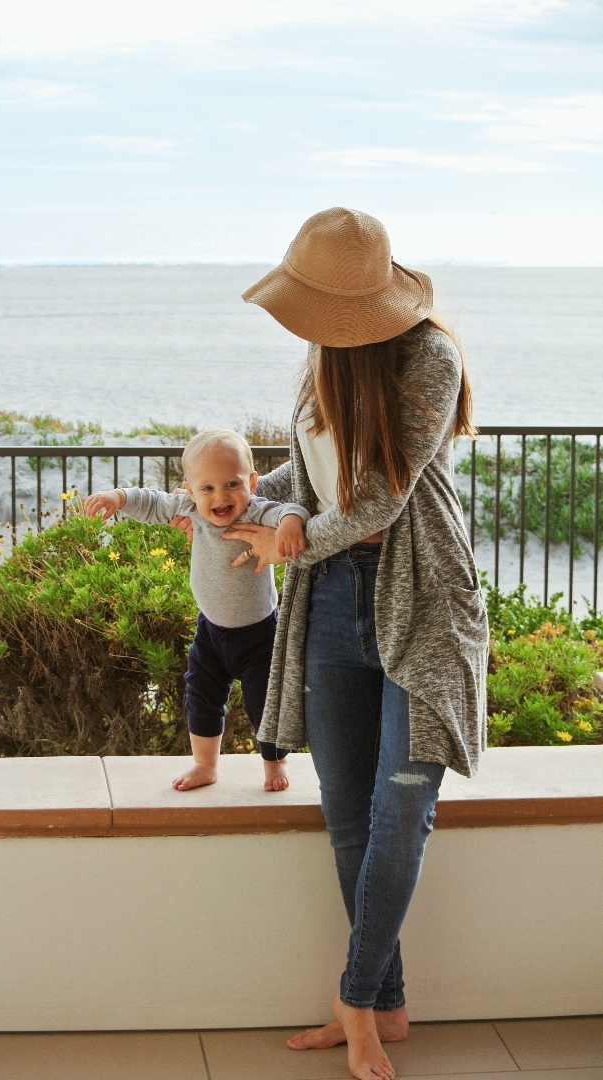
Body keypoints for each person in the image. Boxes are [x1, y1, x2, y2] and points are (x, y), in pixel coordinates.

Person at [218, 208, 488, 1080]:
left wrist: (284, 538)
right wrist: (287, 508)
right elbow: (318, 468)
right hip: (333, 601)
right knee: (345, 819)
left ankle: (355, 1000)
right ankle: (388, 1004)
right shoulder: (323, 356)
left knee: (400, 815)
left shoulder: (430, 358)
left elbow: (381, 498)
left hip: (422, 606)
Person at [84, 428, 310, 793]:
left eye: (232, 484)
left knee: (265, 703)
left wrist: (289, 522)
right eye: (207, 489)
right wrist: (119, 497)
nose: (220, 496)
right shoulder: (189, 509)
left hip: (260, 634)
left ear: (252, 482)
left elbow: (290, 508)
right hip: (211, 631)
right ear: (189, 491)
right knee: (200, 697)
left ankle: (274, 763)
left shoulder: (257, 510)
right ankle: (205, 765)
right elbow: (154, 502)